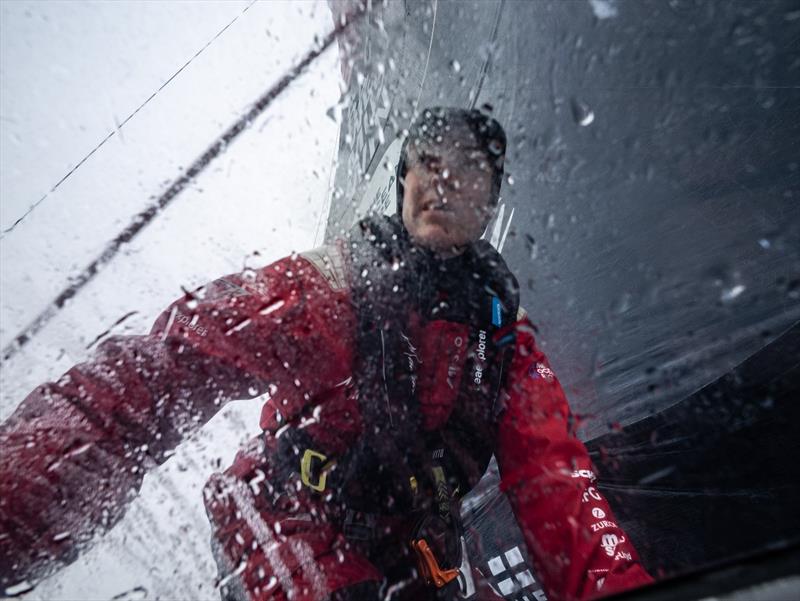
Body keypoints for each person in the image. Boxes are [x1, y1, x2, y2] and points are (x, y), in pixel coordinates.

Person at [0, 107, 652, 600]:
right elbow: (166, 367)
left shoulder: (504, 343)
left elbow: (558, 489)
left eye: (470, 167)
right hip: (281, 510)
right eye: (428, 160)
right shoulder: (333, 287)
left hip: (415, 549)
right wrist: (20, 500)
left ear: (491, 202)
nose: (444, 179)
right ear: (401, 183)